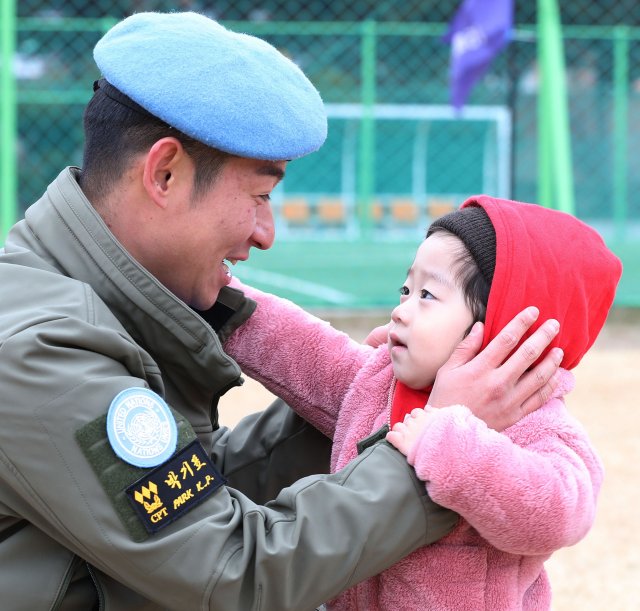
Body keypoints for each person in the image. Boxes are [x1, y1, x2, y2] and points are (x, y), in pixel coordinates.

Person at [0, 12, 561, 610]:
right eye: (260, 196)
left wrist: (374, 404)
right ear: (164, 173)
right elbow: (233, 571)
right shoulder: (41, 349)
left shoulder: (83, 306)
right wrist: (439, 445)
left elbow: (189, 493)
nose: (266, 232)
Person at [225, 196, 622, 610]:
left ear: (498, 325)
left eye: (427, 295)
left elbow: (561, 509)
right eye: (406, 289)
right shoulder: (381, 380)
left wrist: (454, 445)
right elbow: (298, 347)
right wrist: (218, 298)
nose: (401, 310)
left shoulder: (531, 419)